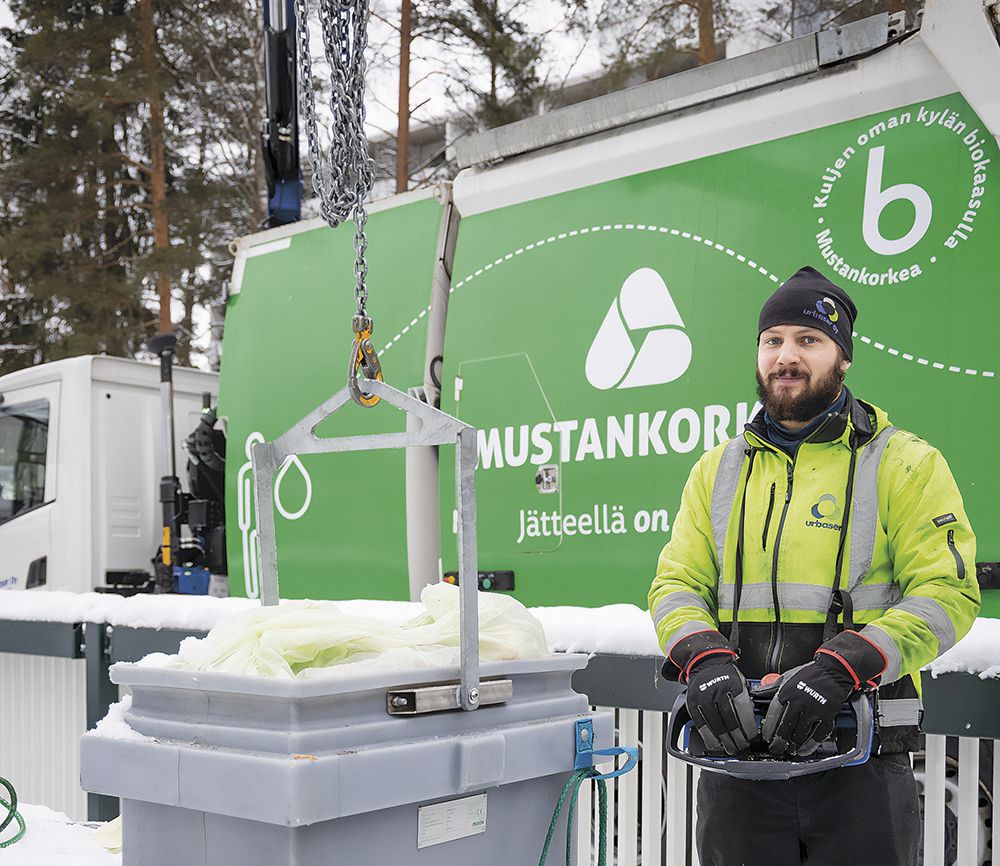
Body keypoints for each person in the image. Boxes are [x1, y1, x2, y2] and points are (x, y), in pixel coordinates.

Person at [648, 266, 981, 866]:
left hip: (861, 758)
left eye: (808, 340)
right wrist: (703, 658)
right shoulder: (717, 470)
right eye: (772, 340)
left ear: (843, 358)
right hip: (737, 758)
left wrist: (842, 669)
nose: (786, 356)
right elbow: (676, 584)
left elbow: (947, 594)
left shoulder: (904, 463)